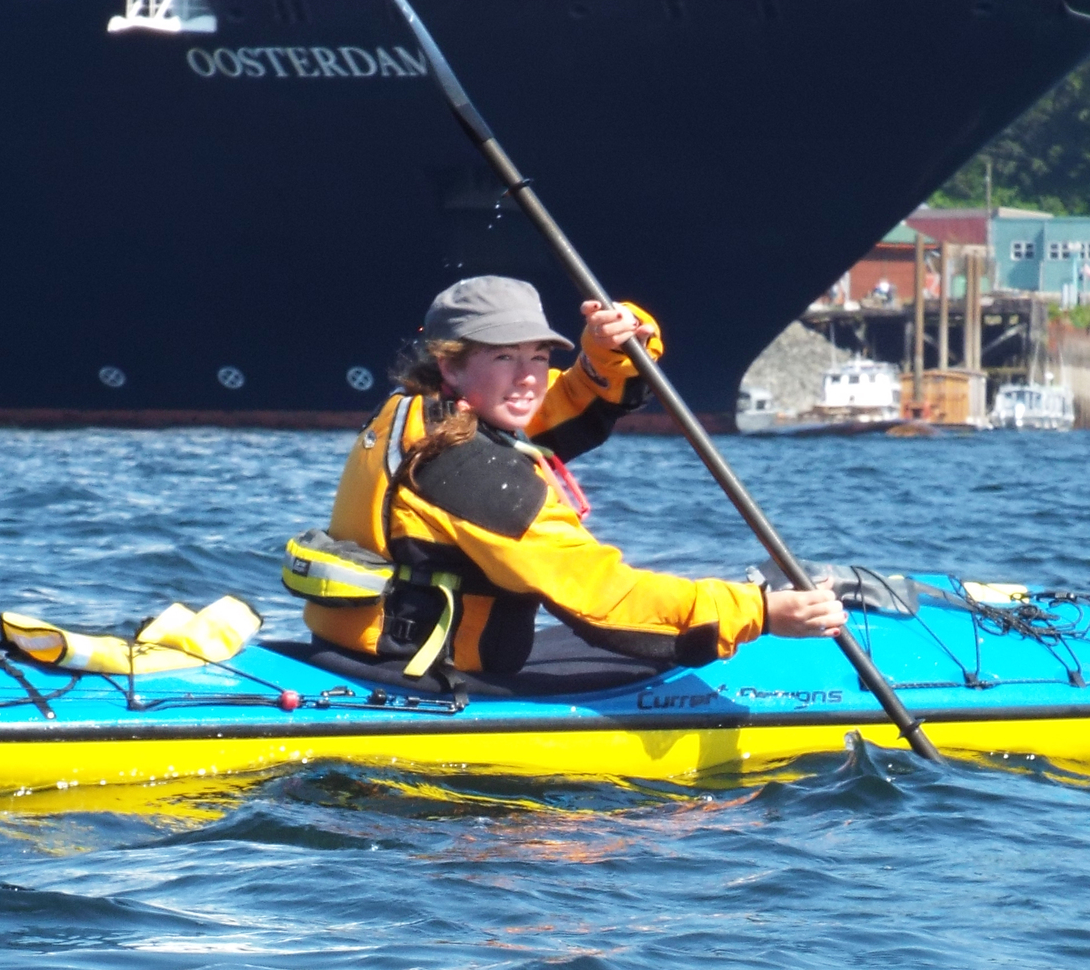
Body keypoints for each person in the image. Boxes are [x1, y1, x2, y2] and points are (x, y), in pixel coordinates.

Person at [284, 275, 845, 680]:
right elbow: (606, 604)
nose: (529, 376)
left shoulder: (415, 408)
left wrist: (615, 349)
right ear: (451, 363)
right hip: (421, 672)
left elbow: (568, 401)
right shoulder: (471, 472)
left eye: (537, 355)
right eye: (505, 357)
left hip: (359, 650)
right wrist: (763, 612)